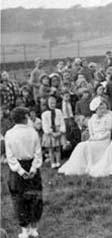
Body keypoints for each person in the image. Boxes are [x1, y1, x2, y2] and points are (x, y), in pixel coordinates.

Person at [5, 107, 43, 238]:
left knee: (19, 198)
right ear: (25, 118)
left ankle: (25, 230)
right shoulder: (33, 132)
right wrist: (33, 169)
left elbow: (10, 156)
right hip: (31, 165)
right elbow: (38, 152)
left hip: (17, 169)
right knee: (34, 197)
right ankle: (33, 228)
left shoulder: (9, 134)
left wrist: (21, 171)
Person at [58, 97, 112, 175]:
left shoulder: (107, 118)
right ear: (96, 110)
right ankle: (78, 166)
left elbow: (108, 133)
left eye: (102, 109)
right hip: (94, 140)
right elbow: (92, 134)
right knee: (81, 145)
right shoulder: (92, 119)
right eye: (99, 109)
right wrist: (93, 138)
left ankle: (90, 165)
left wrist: (98, 138)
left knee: (89, 147)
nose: (101, 111)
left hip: (104, 141)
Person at [42, 96, 66, 168]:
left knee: (58, 148)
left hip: (58, 130)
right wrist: (51, 132)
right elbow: (45, 125)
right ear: (47, 103)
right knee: (51, 149)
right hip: (50, 132)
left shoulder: (58, 111)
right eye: (51, 103)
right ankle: (53, 162)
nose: (53, 105)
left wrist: (61, 131)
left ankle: (58, 162)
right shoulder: (44, 114)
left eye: (54, 103)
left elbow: (62, 121)